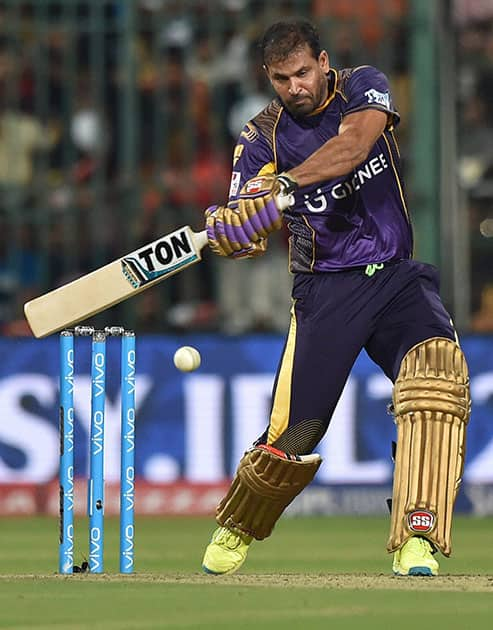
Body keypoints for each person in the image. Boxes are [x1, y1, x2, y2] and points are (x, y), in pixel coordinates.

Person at [201, 20, 471, 577]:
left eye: (302, 72)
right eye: (282, 79)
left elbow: (352, 147)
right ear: (268, 79)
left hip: (396, 276)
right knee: (296, 431)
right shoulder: (259, 140)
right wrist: (235, 228)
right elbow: (243, 232)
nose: (295, 86)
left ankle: (416, 537)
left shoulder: (362, 86)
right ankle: (239, 523)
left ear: (323, 62)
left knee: (437, 381)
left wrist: (285, 187)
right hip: (327, 287)